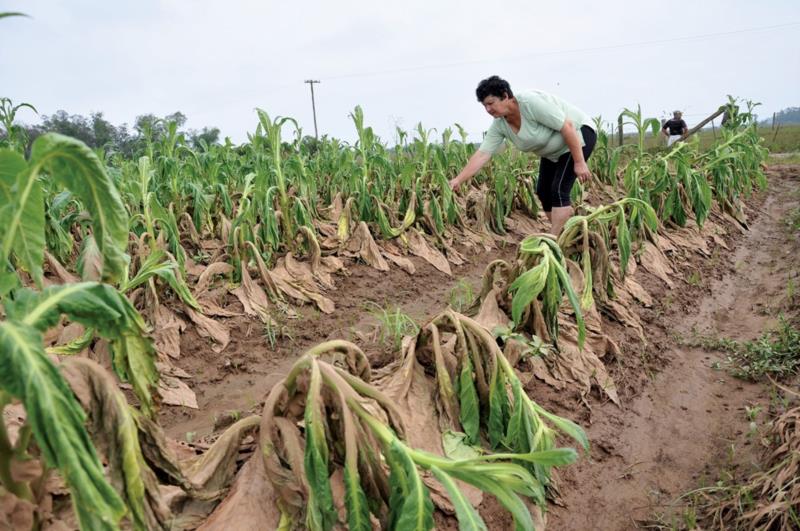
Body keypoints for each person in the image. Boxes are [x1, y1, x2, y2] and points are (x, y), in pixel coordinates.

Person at [448, 76, 596, 235]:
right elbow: (483, 154)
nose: (488, 110)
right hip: (552, 152)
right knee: (543, 191)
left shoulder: (530, 103)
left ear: (505, 96)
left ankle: (553, 241)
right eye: (484, 106)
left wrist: (579, 162)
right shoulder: (500, 125)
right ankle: (565, 234)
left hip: (578, 137)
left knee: (559, 190)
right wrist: (458, 180)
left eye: (491, 103)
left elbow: (567, 126)